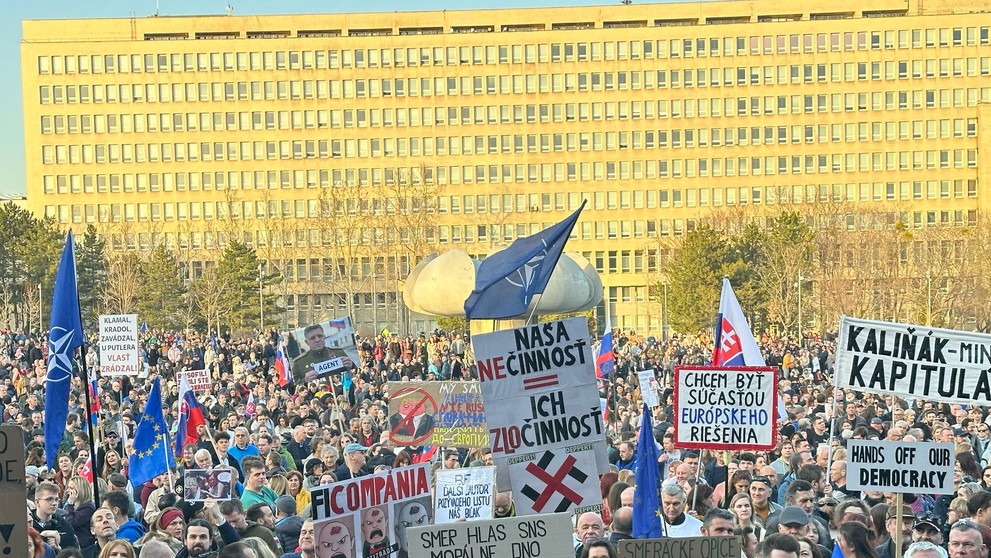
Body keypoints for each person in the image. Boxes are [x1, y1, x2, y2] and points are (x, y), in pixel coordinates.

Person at [33, 481, 78, 552]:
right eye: (49, 499)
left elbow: (75, 553)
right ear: (37, 502)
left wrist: (59, 550)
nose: (54, 503)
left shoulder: (64, 525)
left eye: (56, 500)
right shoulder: (27, 523)